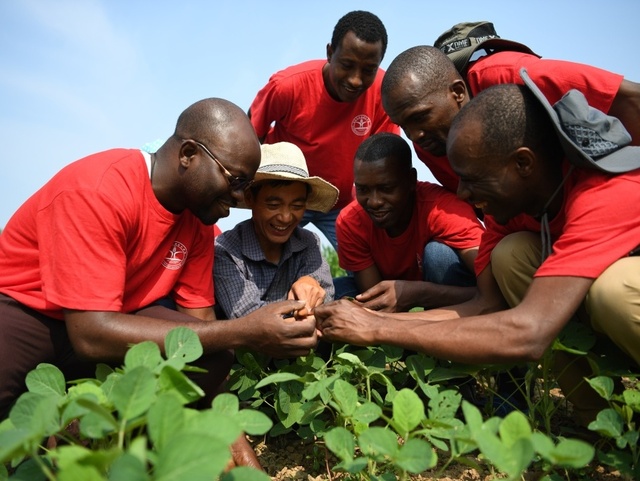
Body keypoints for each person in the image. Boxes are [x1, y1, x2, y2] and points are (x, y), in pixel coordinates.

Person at [0, 98, 319, 468]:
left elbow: (201, 329)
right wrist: (246, 331)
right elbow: (89, 334)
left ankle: (100, 443)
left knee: (212, 355)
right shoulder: (99, 189)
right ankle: (64, 444)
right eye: (235, 181)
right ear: (188, 155)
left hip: (115, 320)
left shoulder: (198, 220)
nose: (238, 198)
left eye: (245, 186)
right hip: (30, 313)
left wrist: (247, 462)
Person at [315, 75, 640, 427]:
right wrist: (375, 319)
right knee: (511, 255)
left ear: (523, 164)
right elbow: (486, 304)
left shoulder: (604, 194)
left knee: (615, 292)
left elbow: (530, 331)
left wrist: (380, 329)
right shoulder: (509, 216)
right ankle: (600, 421)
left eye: (474, 179)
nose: (464, 195)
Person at [381, 24, 640, 195]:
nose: (415, 136)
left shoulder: (509, 74)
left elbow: (630, 96)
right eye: (405, 126)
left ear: (458, 92)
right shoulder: (430, 142)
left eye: (420, 117)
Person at [248, 10, 400, 250]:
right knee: (263, 263)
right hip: (288, 200)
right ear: (330, 53)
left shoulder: (383, 93)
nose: (355, 80)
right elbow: (250, 134)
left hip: (343, 205)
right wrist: (252, 191)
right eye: (347, 65)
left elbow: (385, 158)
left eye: (368, 70)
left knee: (371, 262)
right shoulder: (288, 86)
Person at [333, 132, 482, 312]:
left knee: (439, 255)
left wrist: (419, 293)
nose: (374, 202)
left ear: (411, 180)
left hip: (455, 301)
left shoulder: (443, 209)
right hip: (394, 301)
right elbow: (377, 302)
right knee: (338, 291)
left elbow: (495, 290)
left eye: (386, 188)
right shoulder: (350, 222)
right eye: (363, 189)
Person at [214, 141, 338, 320]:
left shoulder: (308, 242)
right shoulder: (226, 251)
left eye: (296, 205)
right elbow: (248, 317)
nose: (286, 217)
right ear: (250, 199)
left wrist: (310, 282)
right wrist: (302, 309)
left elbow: (324, 296)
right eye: (273, 205)